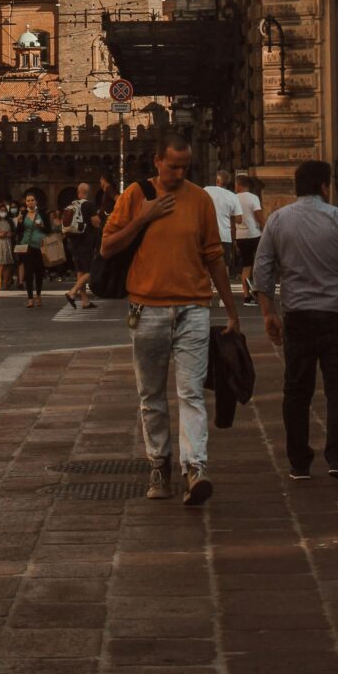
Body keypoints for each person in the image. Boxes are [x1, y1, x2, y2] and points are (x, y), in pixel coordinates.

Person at [100, 127, 240, 507]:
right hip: (147, 309)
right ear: (158, 161)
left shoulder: (200, 200)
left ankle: (194, 467)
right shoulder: (136, 196)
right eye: (173, 167)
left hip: (193, 307)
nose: (179, 174)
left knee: (191, 392)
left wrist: (230, 308)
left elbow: (214, 256)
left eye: (185, 167)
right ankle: (158, 464)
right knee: (151, 395)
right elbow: (108, 246)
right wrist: (142, 218)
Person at [253, 160, 338, 484]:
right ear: (324, 186)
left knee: (296, 389)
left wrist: (268, 313)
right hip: (337, 314)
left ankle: (299, 461)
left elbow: (261, 273)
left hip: (298, 315)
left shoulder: (277, 221)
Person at [62, 183, 101, 310]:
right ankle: (72, 292)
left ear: (78, 192)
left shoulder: (73, 204)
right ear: (88, 192)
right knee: (90, 271)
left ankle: (85, 301)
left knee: (80, 271)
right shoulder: (88, 205)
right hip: (86, 243)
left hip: (73, 242)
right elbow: (96, 223)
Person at [13, 193, 49, 308]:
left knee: (39, 272)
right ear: (26, 202)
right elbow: (18, 231)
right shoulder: (23, 214)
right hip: (26, 246)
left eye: (32, 200)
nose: (30, 202)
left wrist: (42, 226)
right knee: (28, 272)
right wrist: (18, 222)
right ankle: (30, 298)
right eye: (28, 201)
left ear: (36, 202)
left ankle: (38, 295)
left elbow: (49, 230)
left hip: (40, 246)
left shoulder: (42, 214)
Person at [205, 169, 242, 276]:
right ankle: (223, 290)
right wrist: (228, 216)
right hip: (225, 236)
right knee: (224, 265)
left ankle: (207, 289)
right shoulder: (233, 196)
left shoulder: (207, 190)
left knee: (207, 265)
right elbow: (239, 219)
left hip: (208, 235)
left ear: (217, 180)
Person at [233, 173, 263, 305]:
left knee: (246, 266)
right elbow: (259, 216)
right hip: (254, 234)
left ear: (239, 185)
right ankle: (258, 288)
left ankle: (246, 296)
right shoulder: (253, 198)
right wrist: (265, 227)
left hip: (240, 236)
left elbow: (232, 219)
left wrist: (233, 238)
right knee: (259, 263)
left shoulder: (233, 198)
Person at [0, 205, 14, 292]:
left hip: (8, 243)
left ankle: (5, 283)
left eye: (4, 210)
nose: (3, 212)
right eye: (1, 210)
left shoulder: (10, 221)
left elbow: (14, 232)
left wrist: (9, 234)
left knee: (7, 264)